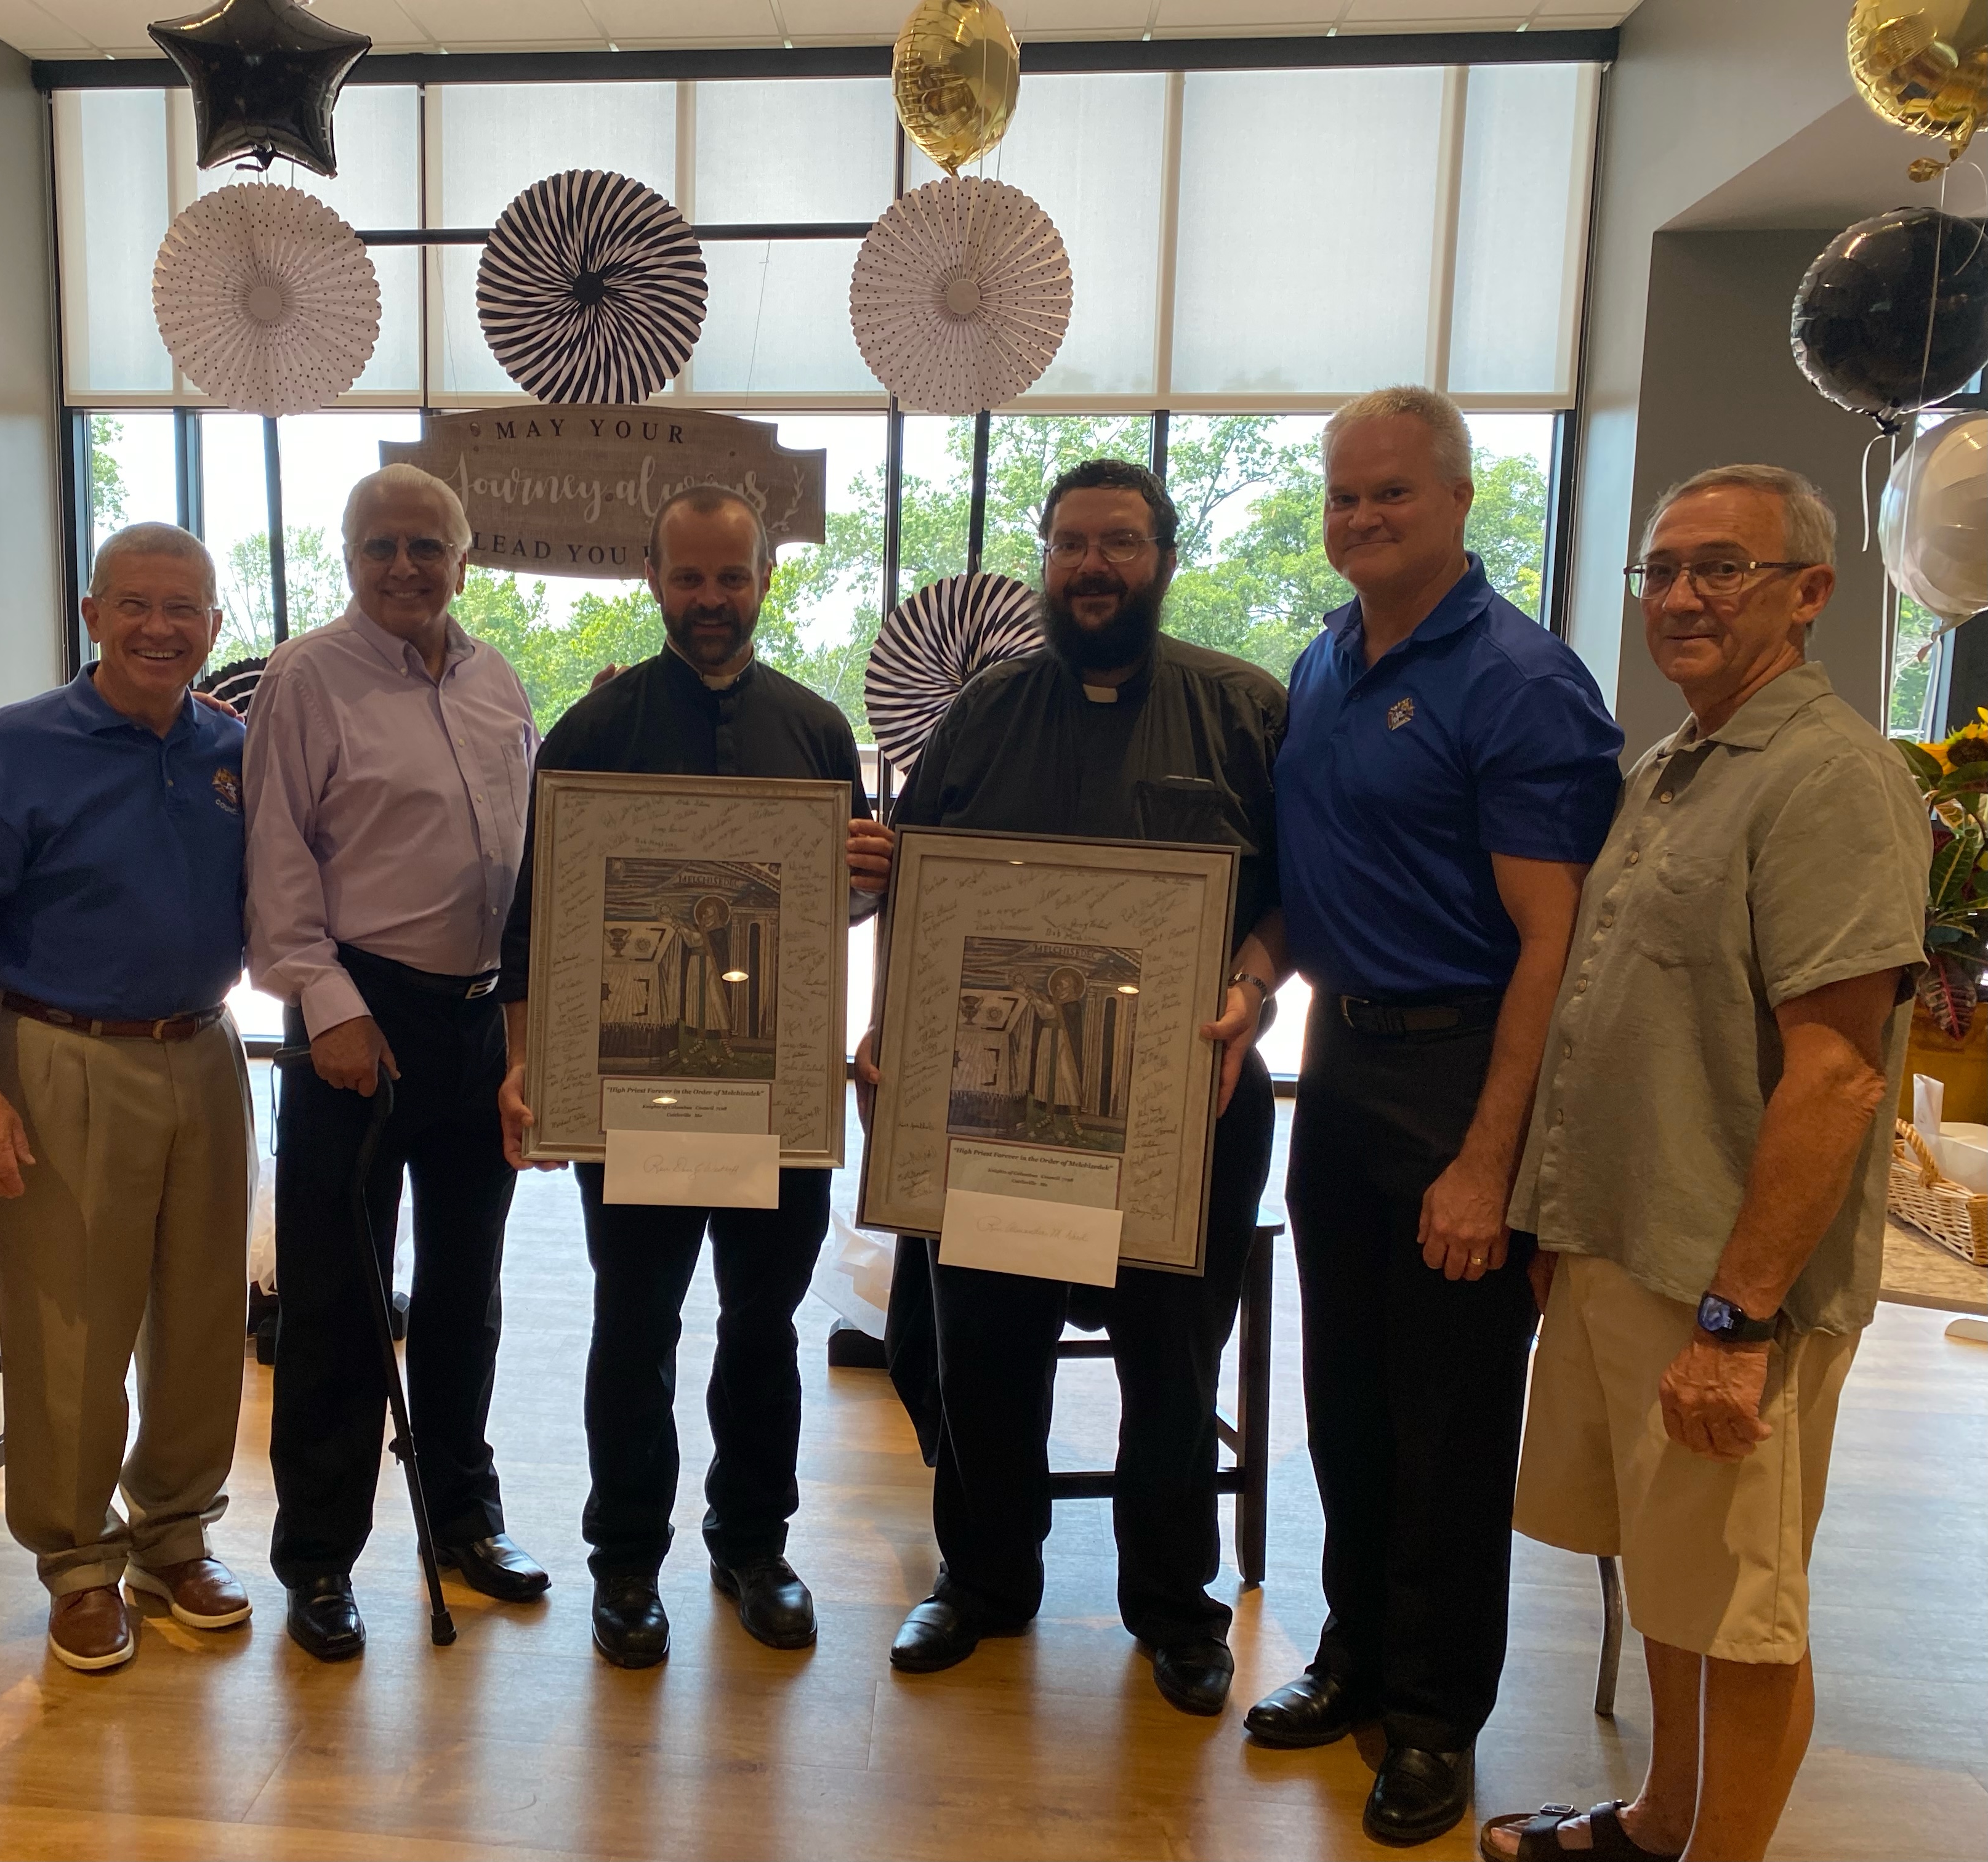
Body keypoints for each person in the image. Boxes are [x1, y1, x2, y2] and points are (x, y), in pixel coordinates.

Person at [1483, 467, 1927, 1862]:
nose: (1679, 596)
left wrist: (1736, 1324)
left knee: (1740, 1610)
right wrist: (1561, 1221)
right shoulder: (1672, 764)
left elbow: (1840, 1072)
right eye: (1662, 570)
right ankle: (1656, 1819)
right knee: (1671, 1581)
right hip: (1625, 1247)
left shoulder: (1836, 779)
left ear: (1809, 593)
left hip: (1729, 1284)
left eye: (1721, 569)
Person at [1232, 387, 1624, 1847]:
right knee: (1347, 1399)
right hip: (1339, 1069)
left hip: (1468, 1072)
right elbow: (1311, 882)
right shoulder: (1326, 661)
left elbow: (1554, 941)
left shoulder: (1520, 680)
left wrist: (1489, 1159)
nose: (1360, 519)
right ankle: (1355, 1657)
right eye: (1343, 496)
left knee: (1451, 1426)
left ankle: (1436, 1719)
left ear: (1460, 501)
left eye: (1390, 494)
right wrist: (1261, 969)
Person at [858, 458, 1285, 1719]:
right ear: (1044, 559)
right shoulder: (979, 715)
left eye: (1121, 543)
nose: (1094, 566)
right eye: (1072, 545)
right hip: (998, 1104)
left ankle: (1173, 1606)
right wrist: (888, 1026)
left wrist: (1251, 997)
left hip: (1188, 1108)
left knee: (1170, 1367)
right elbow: (920, 890)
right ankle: (984, 1583)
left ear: (1162, 557)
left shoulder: (1245, 712)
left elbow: (1294, 900)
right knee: (985, 1354)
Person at [496, 485, 885, 1670]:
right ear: (654, 580)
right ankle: (624, 1563)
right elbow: (534, 923)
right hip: (632, 1094)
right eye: (690, 578)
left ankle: (753, 1546)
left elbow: (843, 908)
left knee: (763, 1326)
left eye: (733, 577)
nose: (711, 600)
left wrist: (871, 874)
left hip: (779, 1094)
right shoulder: (591, 733)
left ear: (767, 580)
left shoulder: (819, 731)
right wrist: (526, 1066)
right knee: (635, 1322)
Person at [0, 522, 254, 1674]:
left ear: (215, 626)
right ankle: (77, 1560)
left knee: (206, 1315)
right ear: (96, 614)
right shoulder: (12, 751)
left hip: (207, 1050)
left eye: (188, 609)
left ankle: (175, 1533)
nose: (163, 629)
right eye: (139, 605)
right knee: (72, 1326)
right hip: (58, 1053)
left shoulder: (235, 751)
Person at [244, 465, 544, 1662]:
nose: (406, 568)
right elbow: (275, 867)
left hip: (479, 1026)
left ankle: (464, 1519)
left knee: (467, 1291)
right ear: (350, 558)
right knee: (334, 1302)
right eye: (382, 548)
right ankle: (320, 1558)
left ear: (465, 558)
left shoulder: (499, 679)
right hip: (358, 1023)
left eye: (428, 546)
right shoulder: (305, 680)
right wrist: (328, 1003)